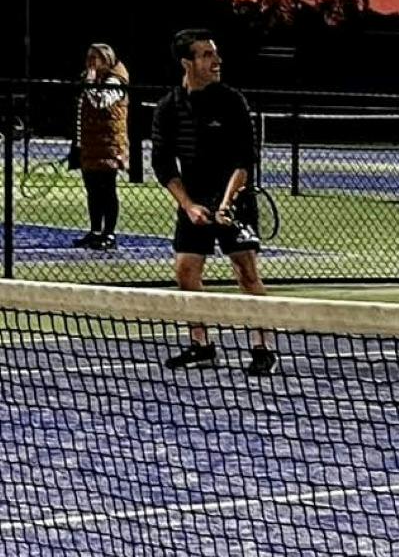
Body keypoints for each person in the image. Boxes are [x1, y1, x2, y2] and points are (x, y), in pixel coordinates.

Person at [150, 29, 275, 376]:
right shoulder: (168, 108)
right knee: (186, 272)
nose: (217, 60)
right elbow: (163, 165)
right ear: (187, 62)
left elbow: (245, 161)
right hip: (194, 200)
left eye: (215, 53)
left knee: (246, 273)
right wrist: (189, 206)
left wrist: (226, 204)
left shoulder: (232, 101)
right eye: (206, 55)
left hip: (235, 198)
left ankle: (263, 348)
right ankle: (201, 345)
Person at [72, 42, 130, 252]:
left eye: (94, 58)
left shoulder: (115, 81)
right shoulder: (93, 79)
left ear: (106, 60)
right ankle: (95, 231)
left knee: (107, 190)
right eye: (88, 57)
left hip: (108, 145)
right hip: (91, 145)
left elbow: (100, 102)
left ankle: (109, 233)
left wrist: (89, 82)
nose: (89, 62)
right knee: (92, 190)